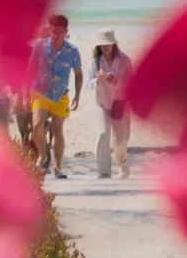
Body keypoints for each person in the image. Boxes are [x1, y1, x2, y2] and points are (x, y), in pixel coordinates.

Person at [28, 13, 83, 179]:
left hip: (61, 94)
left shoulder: (73, 50)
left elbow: (78, 74)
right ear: (49, 30)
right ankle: (43, 155)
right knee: (37, 125)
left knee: (58, 130)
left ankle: (58, 167)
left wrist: (77, 96)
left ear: (66, 31)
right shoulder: (40, 47)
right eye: (53, 32)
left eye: (59, 32)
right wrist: (23, 94)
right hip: (39, 91)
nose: (56, 35)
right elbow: (29, 70)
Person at [89, 28, 132, 177]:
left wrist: (117, 81)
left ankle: (121, 164)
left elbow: (132, 83)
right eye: (102, 45)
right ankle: (103, 171)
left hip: (120, 102)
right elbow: (88, 84)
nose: (105, 47)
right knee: (103, 133)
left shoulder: (125, 60)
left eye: (108, 44)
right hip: (102, 102)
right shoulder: (94, 62)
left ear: (114, 44)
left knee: (122, 138)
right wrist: (97, 80)